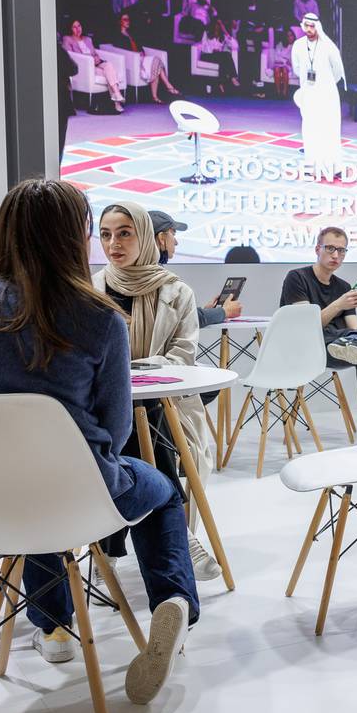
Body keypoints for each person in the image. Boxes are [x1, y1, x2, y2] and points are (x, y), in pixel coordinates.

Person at [0, 179, 197, 704]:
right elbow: (117, 430)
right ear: (75, 237)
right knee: (161, 487)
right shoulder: (98, 316)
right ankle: (175, 602)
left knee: (33, 494)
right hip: (79, 494)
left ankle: (52, 628)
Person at [93, 203, 223, 585]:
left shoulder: (176, 290)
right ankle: (180, 538)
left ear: (146, 237)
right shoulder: (91, 290)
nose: (113, 243)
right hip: (103, 405)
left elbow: (182, 356)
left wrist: (127, 372)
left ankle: (108, 552)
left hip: (164, 402)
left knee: (140, 420)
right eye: (105, 234)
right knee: (130, 427)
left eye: (124, 233)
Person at [280, 227, 357, 439]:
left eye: (341, 250)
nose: (336, 255)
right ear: (317, 249)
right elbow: (304, 327)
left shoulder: (344, 286)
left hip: (341, 346)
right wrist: (339, 304)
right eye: (330, 248)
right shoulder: (296, 278)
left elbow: (353, 326)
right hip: (309, 347)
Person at [148, 209, 243, 327]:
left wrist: (207, 312)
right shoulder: (152, 275)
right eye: (173, 234)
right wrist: (224, 312)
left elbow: (177, 315)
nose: (176, 242)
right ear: (161, 238)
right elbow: (182, 320)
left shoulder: (145, 270)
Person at [290, 13, 346, 166]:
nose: (309, 29)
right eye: (306, 25)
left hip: (327, 94)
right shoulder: (298, 45)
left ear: (318, 27)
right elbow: (297, 68)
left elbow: (338, 72)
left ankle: (331, 165)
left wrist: (325, 83)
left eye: (312, 26)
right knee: (310, 127)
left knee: (328, 127)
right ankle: (312, 163)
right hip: (308, 94)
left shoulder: (328, 46)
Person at [113, 13, 179, 103]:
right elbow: (121, 50)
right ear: (119, 21)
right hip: (133, 60)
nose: (128, 21)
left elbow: (139, 46)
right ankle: (169, 87)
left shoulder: (131, 33)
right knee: (156, 61)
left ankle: (155, 97)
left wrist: (141, 52)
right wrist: (135, 54)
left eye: (128, 19)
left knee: (156, 65)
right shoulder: (118, 35)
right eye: (125, 19)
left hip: (140, 58)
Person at [62, 19, 124, 113]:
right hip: (85, 67)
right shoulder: (68, 39)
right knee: (108, 74)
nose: (77, 29)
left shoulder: (87, 39)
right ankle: (117, 102)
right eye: (74, 27)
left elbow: (94, 53)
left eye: (79, 26)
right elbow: (68, 54)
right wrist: (90, 58)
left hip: (96, 64)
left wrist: (97, 58)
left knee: (109, 65)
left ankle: (117, 94)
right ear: (70, 29)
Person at [198, 17, 241, 94]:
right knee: (226, 55)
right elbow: (203, 47)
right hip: (207, 56)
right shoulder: (206, 34)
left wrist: (225, 31)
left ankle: (221, 84)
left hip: (218, 57)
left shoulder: (222, 37)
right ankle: (233, 77)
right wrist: (212, 50)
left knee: (224, 58)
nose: (217, 27)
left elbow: (235, 46)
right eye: (216, 24)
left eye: (219, 25)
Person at [271, 27, 296, 100]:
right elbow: (277, 56)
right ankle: (278, 92)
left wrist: (285, 61)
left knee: (285, 70)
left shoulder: (296, 45)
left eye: (291, 35)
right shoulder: (280, 44)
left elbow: (292, 59)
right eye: (288, 36)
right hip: (279, 63)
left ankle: (284, 92)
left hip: (288, 65)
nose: (290, 37)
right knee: (277, 69)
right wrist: (284, 60)